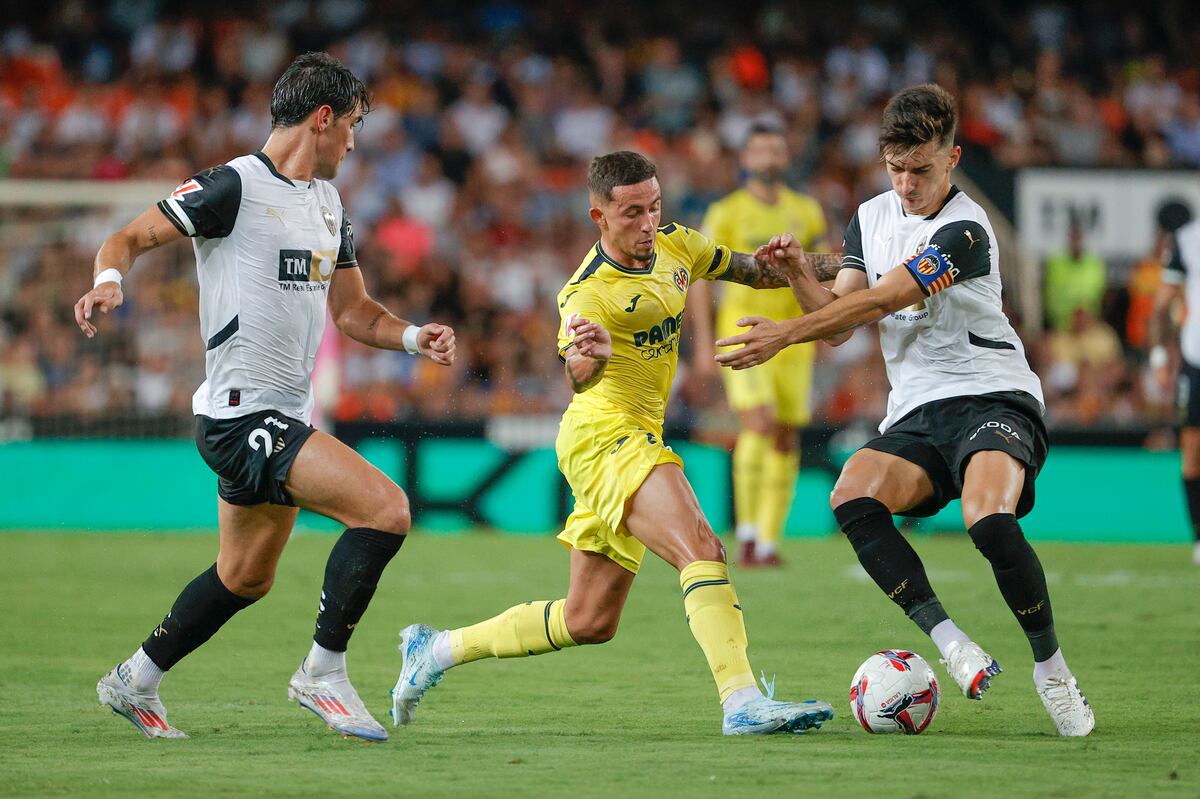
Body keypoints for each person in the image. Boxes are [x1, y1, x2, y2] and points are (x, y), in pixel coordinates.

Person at [75, 52, 456, 742]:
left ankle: (134, 678)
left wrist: (411, 338)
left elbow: (354, 312)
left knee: (245, 576)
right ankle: (323, 669)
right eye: (352, 126)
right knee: (386, 509)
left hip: (283, 416)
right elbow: (129, 236)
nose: (353, 141)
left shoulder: (328, 203)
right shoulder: (234, 186)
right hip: (242, 415)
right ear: (322, 118)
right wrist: (111, 278)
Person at [388, 151, 837, 736]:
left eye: (654, 207)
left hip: (631, 436)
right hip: (604, 434)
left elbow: (758, 272)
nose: (648, 223)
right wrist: (589, 359)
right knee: (702, 546)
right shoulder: (586, 295)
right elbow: (575, 371)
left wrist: (835, 264)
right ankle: (741, 700)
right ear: (598, 216)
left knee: (589, 618)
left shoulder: (679, 244)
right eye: (631, 213)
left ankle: (436, 649)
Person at [715, 84, 1095, 736]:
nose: (908, 183)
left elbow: (883, 302)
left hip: (993, 393)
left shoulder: (966, 229)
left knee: (988, 519)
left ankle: (1053, 669)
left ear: (952, 158)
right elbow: (839, 320)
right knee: (851, 496)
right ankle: (951, 642)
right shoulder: (870, 217)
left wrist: (781, 334)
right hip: (918, 409)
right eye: (896, 169)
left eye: (921, 169)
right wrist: (801, 279)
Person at [689, 122, 828, 567]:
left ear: (785, 159)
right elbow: (698, 278)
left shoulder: (806, 211)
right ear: (745, 160)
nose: (769, 156)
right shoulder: (726, 212)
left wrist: (823, 322)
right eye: (760, 149)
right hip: (743, 328)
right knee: (760, 423)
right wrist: (703, 344)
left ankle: (769, 541)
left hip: (794, 336)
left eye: (776, 148)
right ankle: (747, 535)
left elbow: (824, 269)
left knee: (786, 437)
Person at [1151, 204, 1200, 566]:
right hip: (1196, 360)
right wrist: (1159, 359)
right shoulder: (1187, 240)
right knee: (1193, 452)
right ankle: (1199, 538)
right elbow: (1161, 307)